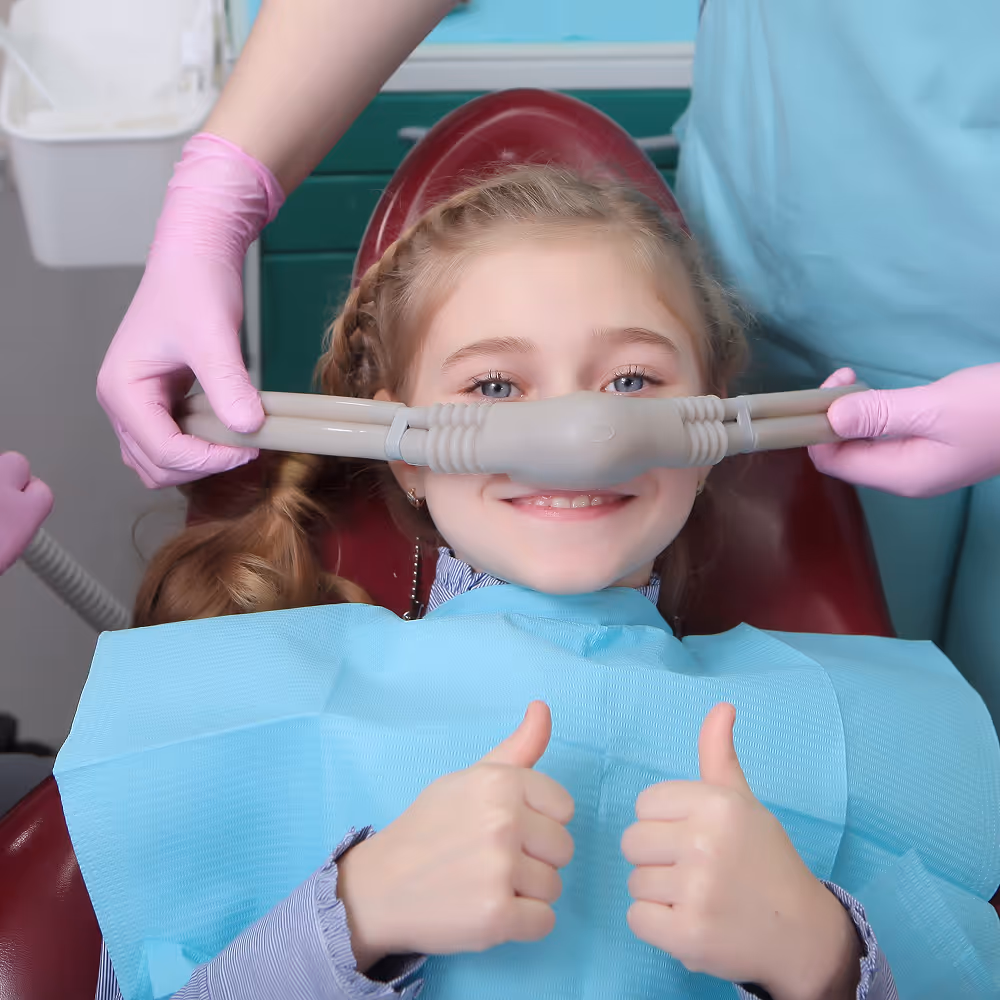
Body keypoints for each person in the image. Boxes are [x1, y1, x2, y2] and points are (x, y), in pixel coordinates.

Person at [64, 167, 1000, 1000]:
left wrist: (824, 961)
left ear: (717, 427)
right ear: (406, 451)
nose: (577, 433)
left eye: (632, 381)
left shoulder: (830, 731)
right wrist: (354, 917)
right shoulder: (270, 710)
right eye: (497, 388)